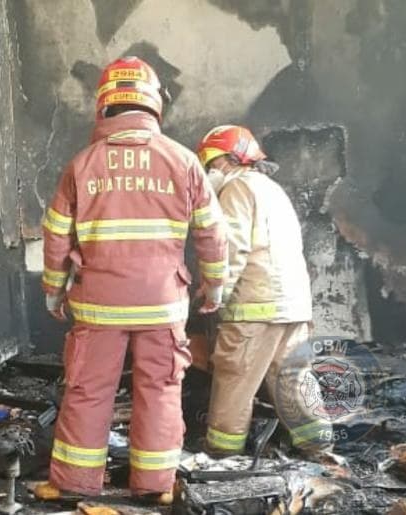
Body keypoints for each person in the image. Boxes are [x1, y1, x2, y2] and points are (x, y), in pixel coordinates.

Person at [36, 57, 227, 503]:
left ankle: (74, 483)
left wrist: (53, 291)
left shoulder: (81, 165)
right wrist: (213, 286)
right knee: (160, 390)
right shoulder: (183, 162)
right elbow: (213, 232)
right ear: (155, 105)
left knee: (88, 391)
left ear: (104, 105)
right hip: (163, 304)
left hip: (99, 305)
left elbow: (56, 234)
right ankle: (157, 486)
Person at [196, 125, 330, 454]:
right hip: (293, 306)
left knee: (235, 379)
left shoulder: (236, 190)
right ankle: (318, 446)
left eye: (211, 163)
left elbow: (232, 249)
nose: (209, 172)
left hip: (254, 307)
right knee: (293, 379)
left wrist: (216, 294)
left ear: (231, 159)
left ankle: (222, 453)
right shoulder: (272, 190)